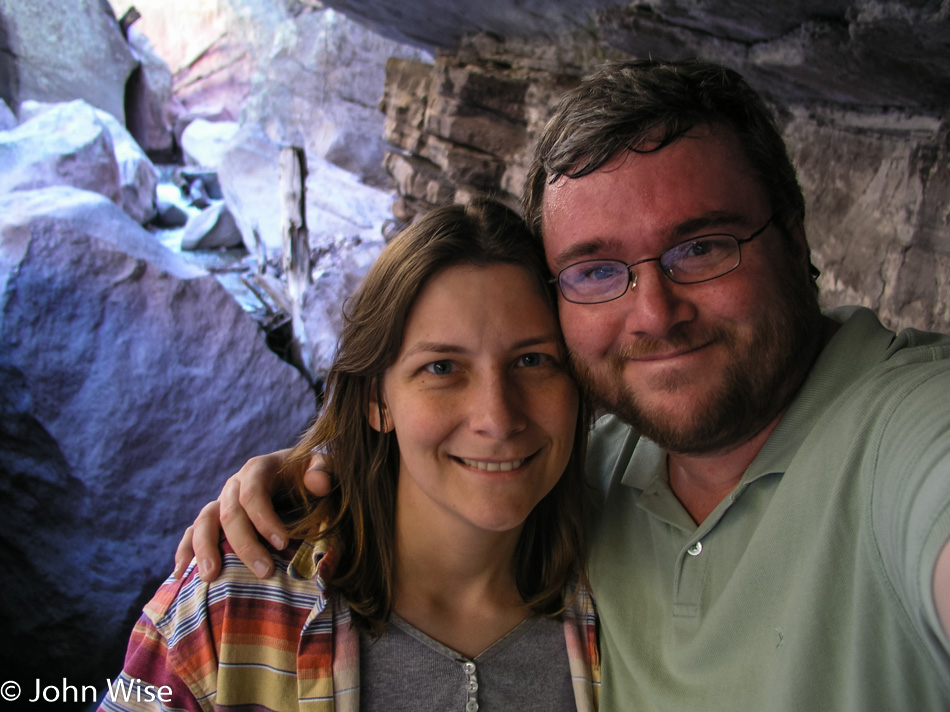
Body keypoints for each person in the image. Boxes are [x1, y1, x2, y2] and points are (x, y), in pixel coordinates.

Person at [181, 59, 950, 710]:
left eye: (703, 246)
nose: (654, 313)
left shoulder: (906, 427)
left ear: (794, 234)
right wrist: (316, 469)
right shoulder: (599, 463)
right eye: (595, 271)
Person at [102, 199, 600, 712]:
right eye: (442, 368)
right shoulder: (231, 604)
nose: (497, 417)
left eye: (533, 360)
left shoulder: (621, 587)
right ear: (375, 399)